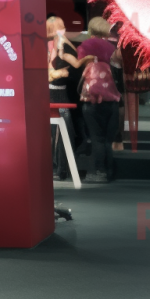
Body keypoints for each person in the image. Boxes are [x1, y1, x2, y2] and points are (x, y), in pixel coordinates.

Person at [47, 16, 94, 180]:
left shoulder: (60, 43)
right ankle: (59, 169)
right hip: (57, 92)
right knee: (60, 132)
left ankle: (61, 169)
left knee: (62, 132)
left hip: (62, 91)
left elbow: (70, 65)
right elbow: (56, 68)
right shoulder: (55, 44)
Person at [77, 17, 122, 182]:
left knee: (97, 138)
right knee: (107, 140)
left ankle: (98, 171)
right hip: (112, 99)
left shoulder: (86, 46)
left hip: (93, 99)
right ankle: (109, 171)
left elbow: (80, 67)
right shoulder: (112, 48)